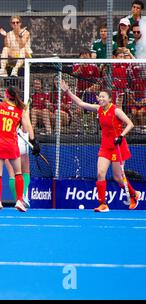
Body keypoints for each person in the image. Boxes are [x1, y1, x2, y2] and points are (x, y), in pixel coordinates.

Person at [61, 80, 140, 212]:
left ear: (109, 99)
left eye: (104, 97)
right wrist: (67, 91)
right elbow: (81, 103)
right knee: (100, 173)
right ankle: (103, 204)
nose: (101, 98)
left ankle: (134, 194)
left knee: (118, 178)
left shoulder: (116, 110)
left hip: (118, 146)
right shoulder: (98, 109)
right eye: (100, 96)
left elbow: (130, 124)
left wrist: (121, 136)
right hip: (105, 147)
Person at [0, 86, 40, 213]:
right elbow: (26, 129)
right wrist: (33, 141)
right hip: (12, 144)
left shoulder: (0, 105)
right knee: (18, 173)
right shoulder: (21, 109)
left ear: (7, 94)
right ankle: (20, 201)